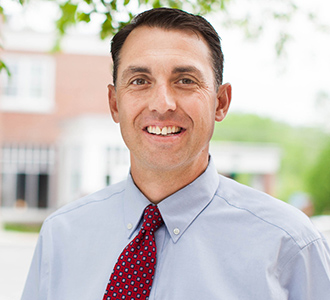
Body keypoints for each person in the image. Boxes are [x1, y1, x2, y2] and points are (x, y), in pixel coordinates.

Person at [22, 7, 330, 300]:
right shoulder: (61, 235)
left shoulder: (289, 244)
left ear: (220, 102)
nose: (162, 103)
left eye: (185, 81)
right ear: (115, 103)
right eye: (140, 81)